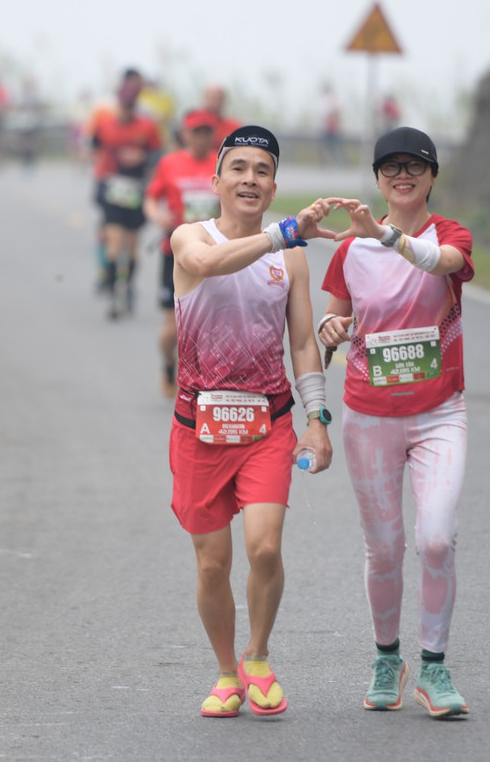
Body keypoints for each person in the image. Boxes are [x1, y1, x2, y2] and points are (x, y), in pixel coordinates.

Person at [169, 124, 336, 719]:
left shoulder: (290, 257)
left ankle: (257, 656)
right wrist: (282, 233)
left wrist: (317, 419)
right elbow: (208, 265)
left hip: (269, 426)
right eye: (238, 168)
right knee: (212, 563)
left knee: (264, 549)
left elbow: (302, 345)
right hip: (200, 431)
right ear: (216, 181)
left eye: (262, 171)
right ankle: (224, 673)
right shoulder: (190, 235)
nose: (249, 179)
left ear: (272, 186)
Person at [316, 126, 474, 718]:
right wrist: (332, 331)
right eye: (390, 167)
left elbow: (442, 262)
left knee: (436, 537)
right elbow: (333, 326)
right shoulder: (349, 251)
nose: (402, 175)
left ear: (432, 176)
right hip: (369, 416)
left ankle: (434, 669)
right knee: (384, 550)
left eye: (414, 165)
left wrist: (386, 235)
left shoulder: (449, 235)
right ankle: (388, 658)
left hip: (438, 414)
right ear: (378, 179)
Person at [144, 109, 220, 398]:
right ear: (184, 134)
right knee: (171, 332)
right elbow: (151, 198)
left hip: (213, 253)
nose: (201, 137)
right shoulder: (169, 163)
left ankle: (206, 384)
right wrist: (157, 216)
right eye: (195, 131)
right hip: (175, 253)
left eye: (206, 131)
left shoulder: (221, 163)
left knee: (210, 325)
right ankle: (168, 363)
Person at [87, 68, 162, 318]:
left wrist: (142, 156)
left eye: (131, 105)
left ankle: (127, 285)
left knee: (131, 246)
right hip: (111, 187)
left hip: (136, 190)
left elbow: (157, 154)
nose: (127, 109)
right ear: (118, 102)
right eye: (123, 104)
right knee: (113, 243)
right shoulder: (106, 124)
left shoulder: (147, 126)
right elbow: (94, 145)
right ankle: (111, 286)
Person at [320, 82, 342, 165]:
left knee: (334, 147)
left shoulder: (333, 100)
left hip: (332, 129)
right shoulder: (326, 100)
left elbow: (336, 114)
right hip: (327, 129)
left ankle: (337, 163)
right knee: (329, 147)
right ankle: (327, 163)